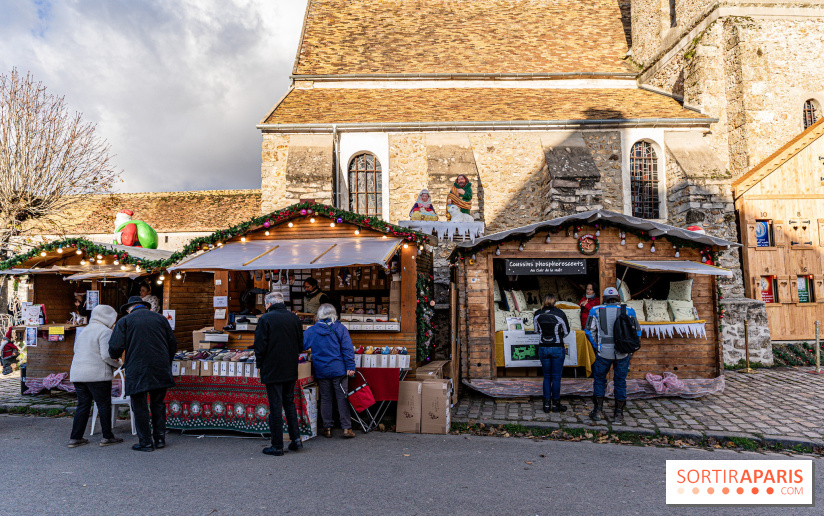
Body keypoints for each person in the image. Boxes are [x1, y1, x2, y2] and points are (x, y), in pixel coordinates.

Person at [109, 296, 177, 452]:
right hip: (160, 368)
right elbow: (172, 343)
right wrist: (166, 361)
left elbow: (115, 347)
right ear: (145, 306)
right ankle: (159, 439)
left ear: (129, 309)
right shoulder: (160, 319)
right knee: (158, 403)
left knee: (139, 406)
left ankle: (145, 442)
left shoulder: (125, 321)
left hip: (137, 368)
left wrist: (116, 356)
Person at [254, 291, 304, 456]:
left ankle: (277, 446)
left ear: (268, 304)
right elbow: (300, 344)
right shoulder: (294, 318)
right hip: (290, 367)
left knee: (275, 406)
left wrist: (260, 364)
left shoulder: (265, 319)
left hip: (272, 368)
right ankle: (296, 440)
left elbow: (260, 346)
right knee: (289, 403)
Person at [68, 305, 123, 448]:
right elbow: (106, 355)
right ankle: (107, 436)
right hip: (97, 375)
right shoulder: (105, 331)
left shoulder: (85, 330)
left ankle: (75, 438)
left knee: (83, 405)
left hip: (78, 374)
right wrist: (118, 364)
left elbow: (75, 349)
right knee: (103, 405)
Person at [584, 287, 641, 425]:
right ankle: (618, 414)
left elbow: (588, 331)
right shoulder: (629, 310)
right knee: (620, 381)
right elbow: (637, 333)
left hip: (603, 352)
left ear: (604, 298)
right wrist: (630, 350)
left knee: (599, 380)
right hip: (623, 353)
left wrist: (597, 346)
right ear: (618, 297)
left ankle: (597, 411)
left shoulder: (595, 310)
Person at [303, 303, 356, 438]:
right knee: (342, 398)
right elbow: (347, 349)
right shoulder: (340, 328)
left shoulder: (312, 330)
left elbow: (301, 345)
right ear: (334, 314)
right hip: (339, 369)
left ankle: (327, 428)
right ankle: (346, 428)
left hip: (321, 369)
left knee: (325, 399)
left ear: (319, 315)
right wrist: (350, 366)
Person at [533, 294, 570, 414]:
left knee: (547, 377)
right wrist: (558, 336)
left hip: (543, 347)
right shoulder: (560, 313)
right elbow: (566, 331)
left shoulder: (537, 314)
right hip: (557, 347)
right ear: (555, 302)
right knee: (556, 378)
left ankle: (546, 404)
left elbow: (536, 330)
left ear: (543, 301)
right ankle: (555, 404)